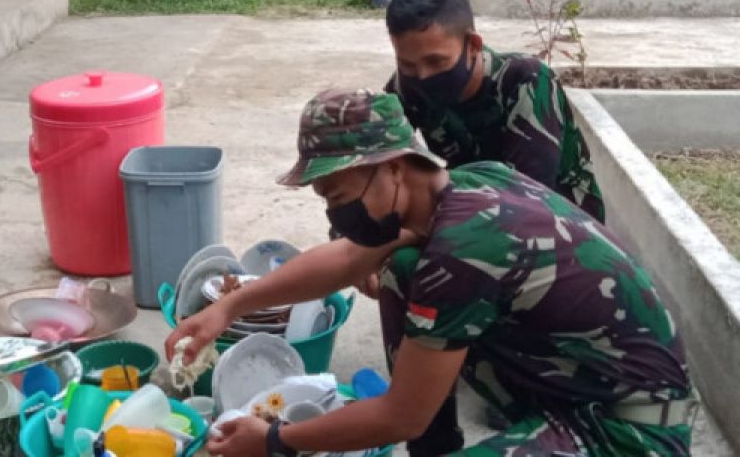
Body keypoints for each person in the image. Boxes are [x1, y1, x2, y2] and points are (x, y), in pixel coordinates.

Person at [169, 89, 694, 457]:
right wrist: (229, 306)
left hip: (626, 432)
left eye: (339, 195)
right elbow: (352, 257)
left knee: (411, 296)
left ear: (394, 167)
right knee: (398, 266)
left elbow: (401, 416)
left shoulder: (463, 249)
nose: (334, 216)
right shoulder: (463, 184)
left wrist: (274, 441)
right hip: (580, 388)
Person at [383, 0, 604, 224]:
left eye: (436, 62)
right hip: (476, 217)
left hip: (560, 228)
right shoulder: (406, 86)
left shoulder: (526, 81)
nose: (422, 76)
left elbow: (526, 197)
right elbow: (376, 162)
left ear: (473, 45)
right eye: (407, 64)